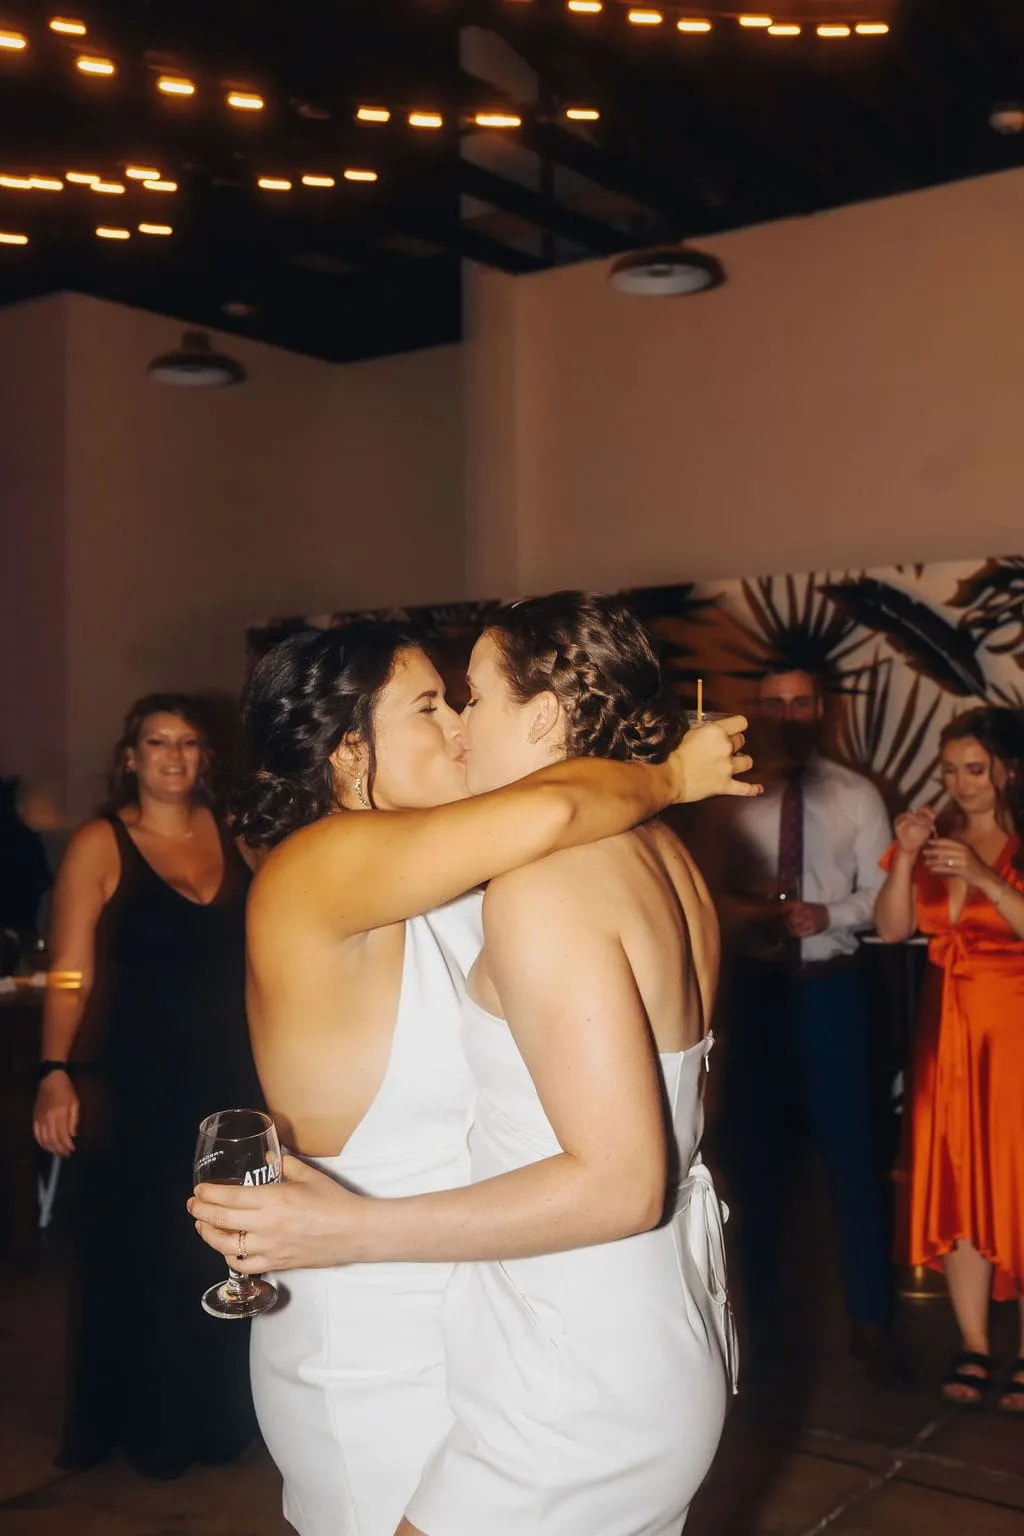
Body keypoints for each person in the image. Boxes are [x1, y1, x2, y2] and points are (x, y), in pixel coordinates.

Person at [191, 597, 746, 1536]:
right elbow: (563, 799)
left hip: (496, 1309)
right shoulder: (314, 869)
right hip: (374, 1328)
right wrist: (668, 776)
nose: (455, 727)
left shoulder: (470, 877)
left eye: (461, 702)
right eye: (427, 708)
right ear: (349, 753)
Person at [32, 694, 261, 1478]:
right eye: (157, 742)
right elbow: (68, 971)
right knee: (139, 1250)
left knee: (220, 1248)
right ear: (130, 757)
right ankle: (143, 1425)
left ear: (205, 758)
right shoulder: (101, 842)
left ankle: (218, 1418)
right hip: (135, 1082)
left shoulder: (233, 834)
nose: (173, 756)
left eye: (189, 743)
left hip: (228, 1073)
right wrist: (54, 1071)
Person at [719, 665, 900, 1385]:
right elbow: (706, 888)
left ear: (819, 709)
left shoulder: (857, 795)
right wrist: (750, 906)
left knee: (854, 1163)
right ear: (757, 710)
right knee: (755, 1172)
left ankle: (873, 1326)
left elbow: (883, 892)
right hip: (756, 998)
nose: (788, 715)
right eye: (774, 704)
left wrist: (831, 914)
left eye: (800, 703)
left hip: (832, 994)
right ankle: (758, 1339)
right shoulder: (730, 800)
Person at [876, 706, 1024, 1412]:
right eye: (949, 772)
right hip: (948, 1033)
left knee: (1019, 1185)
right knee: (959, 1183)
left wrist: (989, 880)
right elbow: (894, 929)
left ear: (1009, 768)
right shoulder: (936, 842)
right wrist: (905, 854)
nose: (961, 785)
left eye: (974, 769)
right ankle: (974, 1341)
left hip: (1016, 1031)